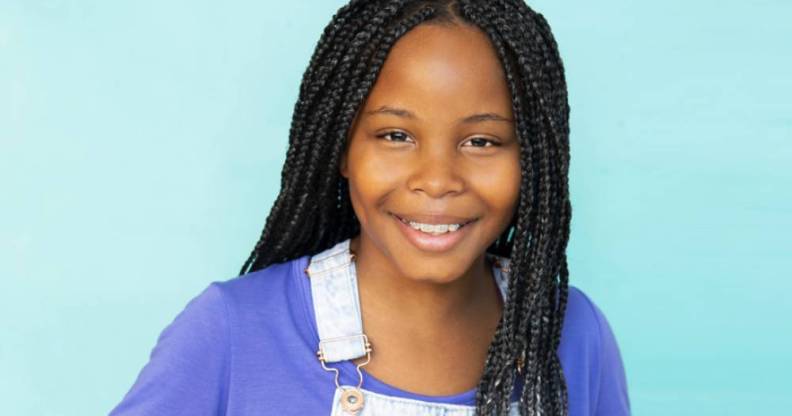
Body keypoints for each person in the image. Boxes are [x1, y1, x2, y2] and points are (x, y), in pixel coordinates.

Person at [109, 1, 630, 415]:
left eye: (483, 142)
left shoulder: (574, 331)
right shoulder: (232, 329)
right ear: (342, 148)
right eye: (396, 135)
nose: (437, 180)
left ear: (534, 159)